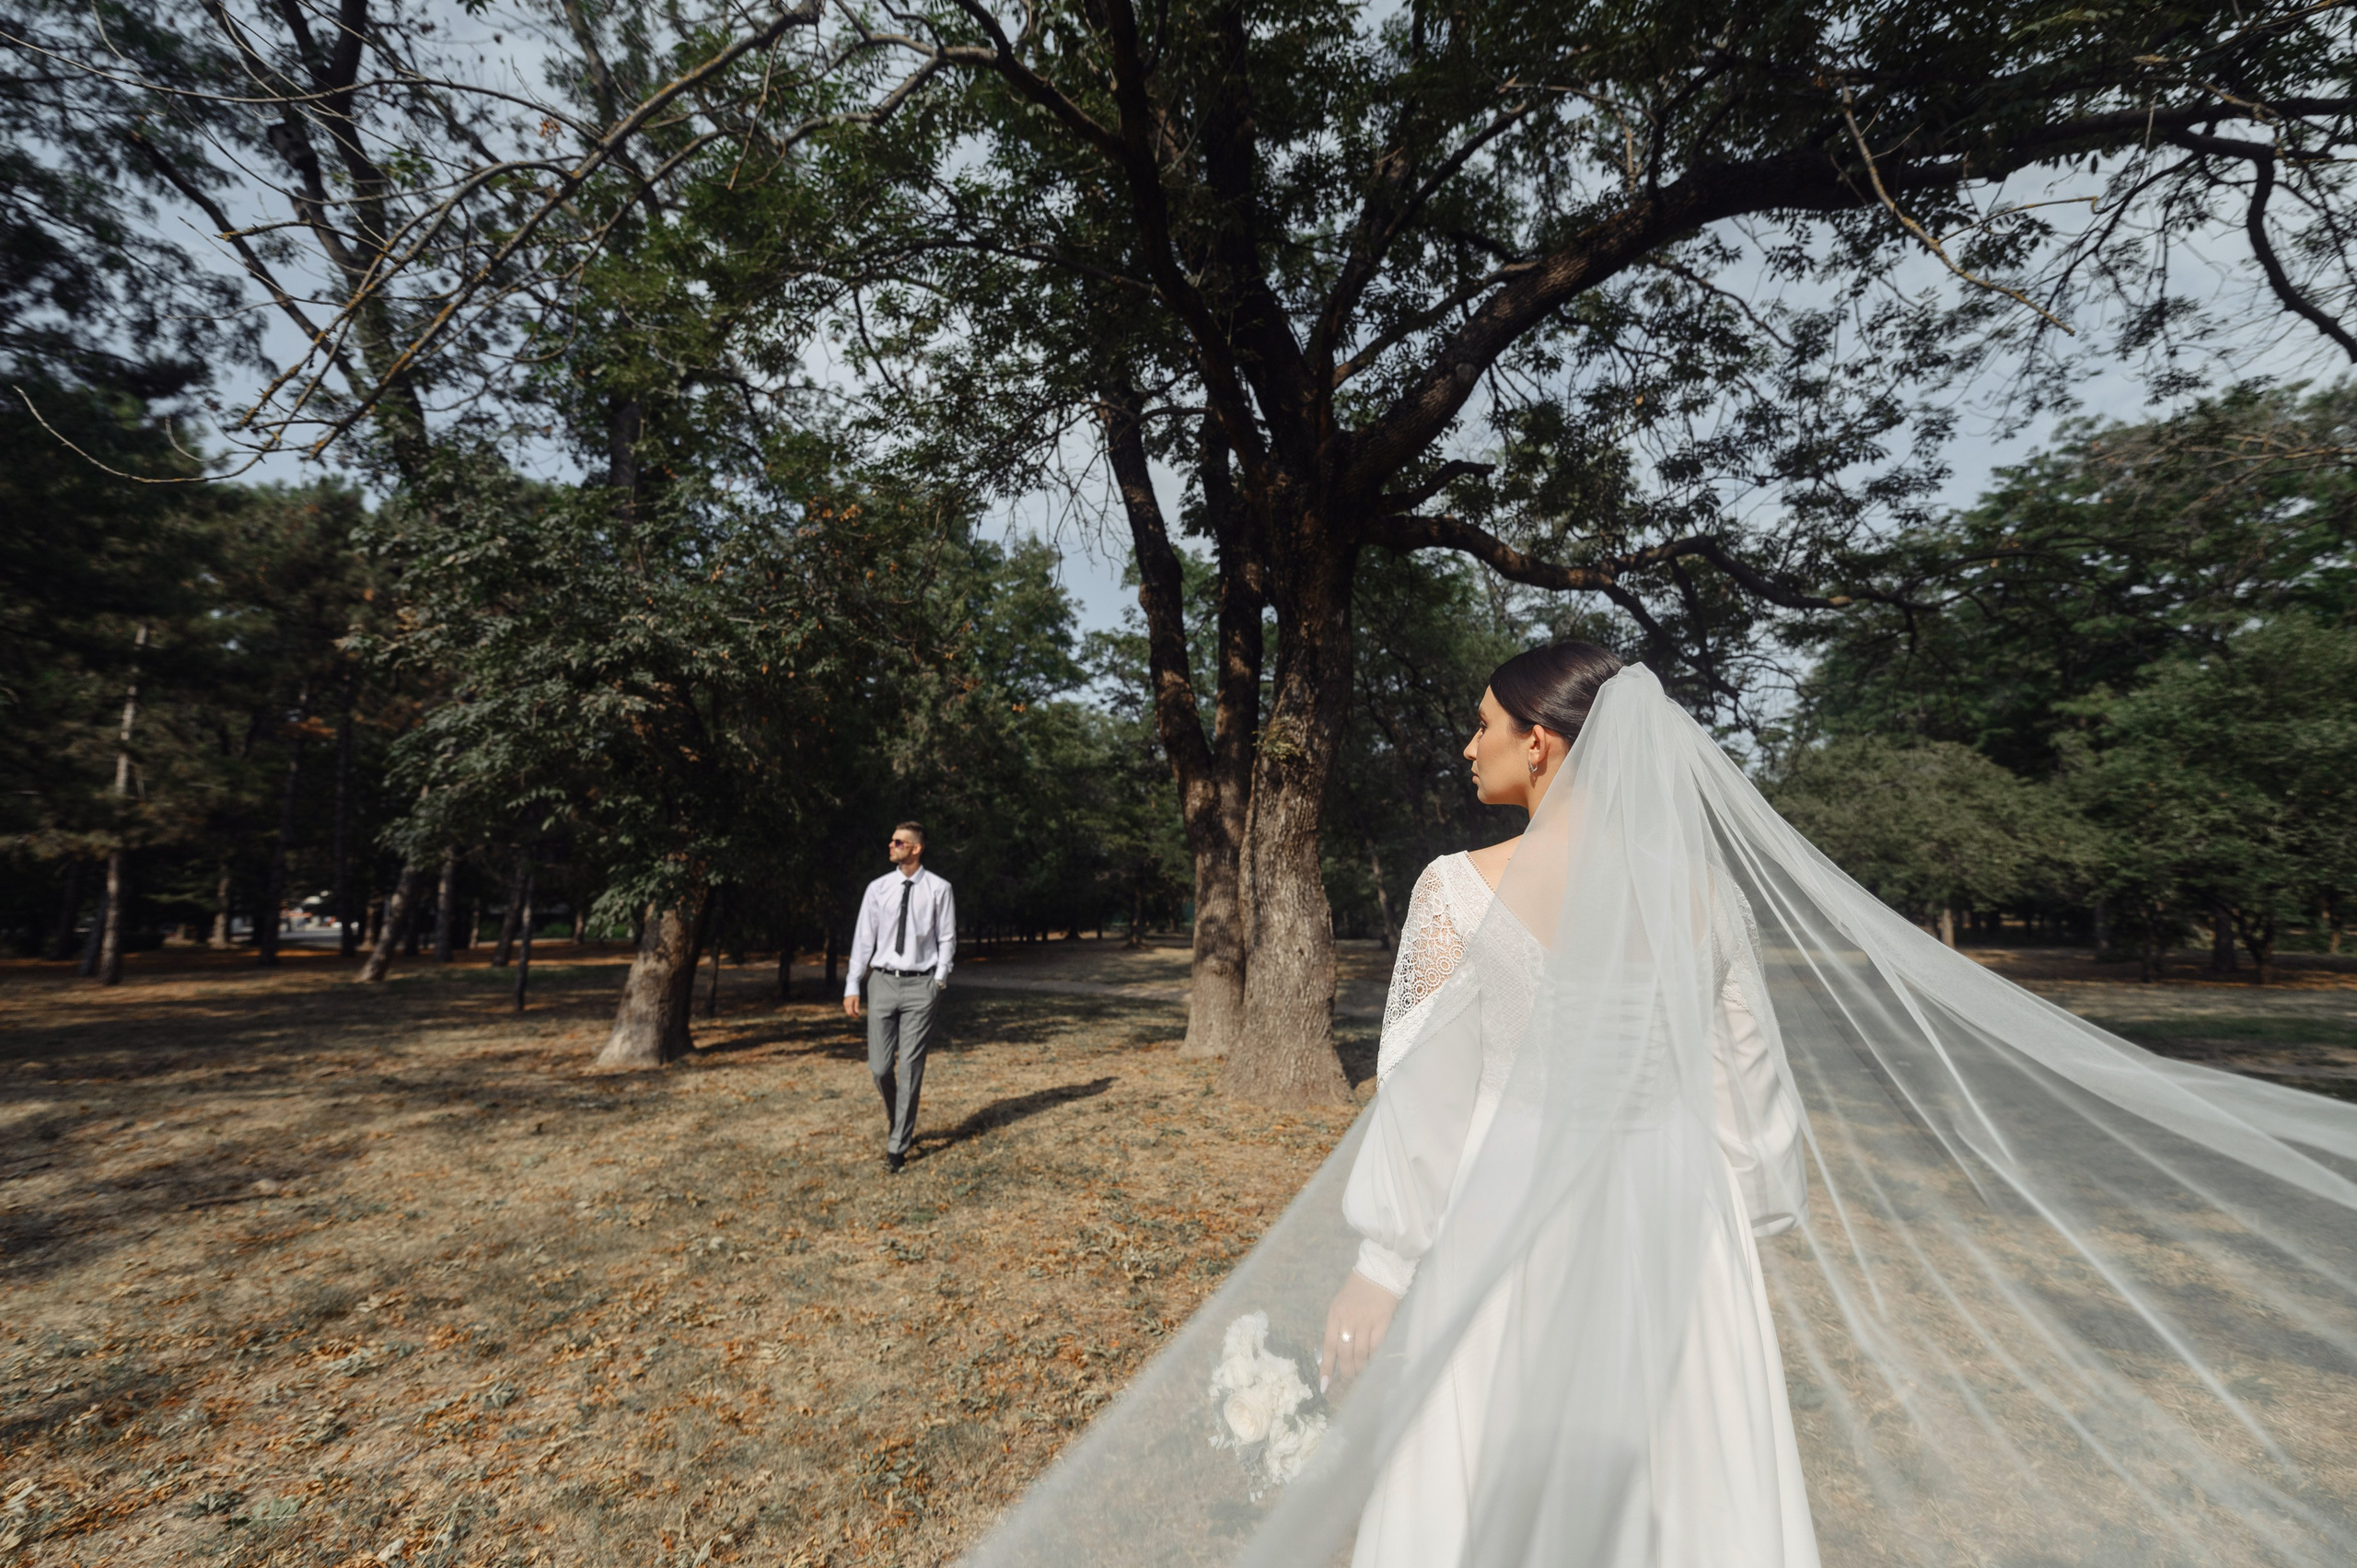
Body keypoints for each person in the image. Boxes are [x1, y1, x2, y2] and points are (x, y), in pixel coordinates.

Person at [959, 649, 2357, 1568]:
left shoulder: (1459, 887)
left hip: (1508, 1226)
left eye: (1487, 724)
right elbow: (1748, 1088)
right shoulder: (1700, 897)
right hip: (1680, 1235)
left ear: (1548, 748)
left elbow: (1425, 1108)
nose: (1467, 744)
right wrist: (1734, 1224)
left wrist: (1382, 1264)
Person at [845, 820, 956, 1173]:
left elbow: (947, 937)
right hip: (882, 983)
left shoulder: (940, 888)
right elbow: (864, 939)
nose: (890, 846)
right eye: (891, 840)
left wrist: (938, 981)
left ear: (916, 848)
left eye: (898, 842)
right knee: (879, 1069)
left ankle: (898, 1147)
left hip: (921, 986)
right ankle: (900, 1118)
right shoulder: (878, 888)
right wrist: (853, 984)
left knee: (910, 1067)